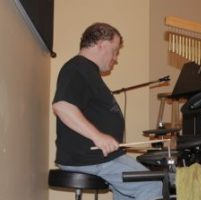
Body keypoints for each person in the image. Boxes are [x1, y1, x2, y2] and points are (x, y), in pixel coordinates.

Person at [52, 22, 162, 200]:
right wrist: (98, 136)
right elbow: (62, 106)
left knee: (130, 193)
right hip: (89, 157)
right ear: (101, 44)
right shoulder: (78, 68)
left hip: (100, 158)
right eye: (115, 50)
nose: (116, 57)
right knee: (153, 184)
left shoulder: (88, 71)